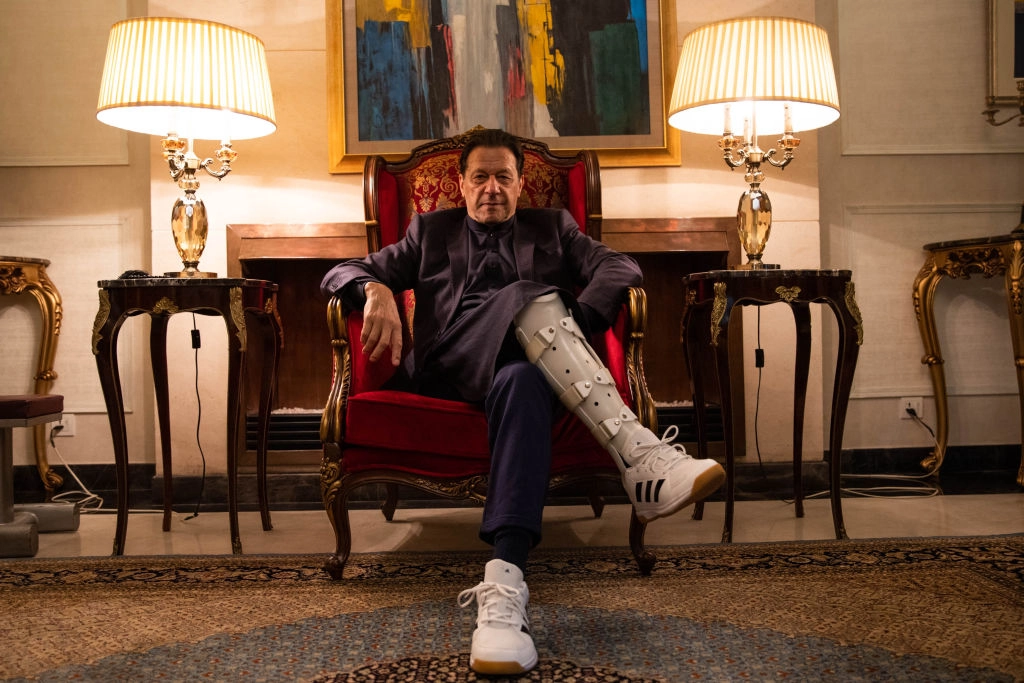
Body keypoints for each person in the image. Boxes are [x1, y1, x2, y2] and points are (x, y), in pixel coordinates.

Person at [320, 128, 725, 676]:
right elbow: (340, 271)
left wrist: (571, 322)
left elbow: (622, 268)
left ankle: (505, 587)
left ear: (520, 183)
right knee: (526, 294)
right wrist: (376, 289)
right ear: (461, 184)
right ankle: (638, 453)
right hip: (449, 368)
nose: (492, 187)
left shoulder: (553, 227)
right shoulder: (430, 231)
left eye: (503, 177)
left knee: (524, 379)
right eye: (480, 177)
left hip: (527, 371)